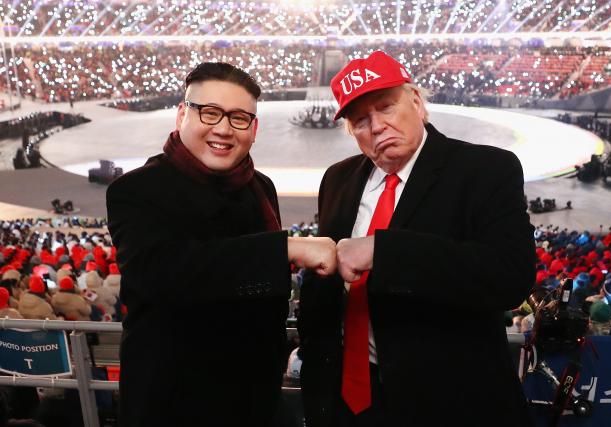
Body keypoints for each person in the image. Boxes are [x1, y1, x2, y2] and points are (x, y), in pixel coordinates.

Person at [298, 51, 536, 427]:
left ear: (416, 102)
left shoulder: (486, 169)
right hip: (349, 401)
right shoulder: (337, 179)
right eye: (360, 120)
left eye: (386, 107)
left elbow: (510, 277)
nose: (377, 126)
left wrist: (383, 252)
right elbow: (323, 292)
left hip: (447, 403)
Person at [106, 62, 336, 427]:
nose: (224, 129)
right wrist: (284, 248)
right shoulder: (137, 189)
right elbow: (160, 273)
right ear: (182, 114)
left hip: (255, 397)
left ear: (254, 129)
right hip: (174, 400)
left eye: (239, 118)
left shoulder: (260, 186)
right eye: (210, 112)